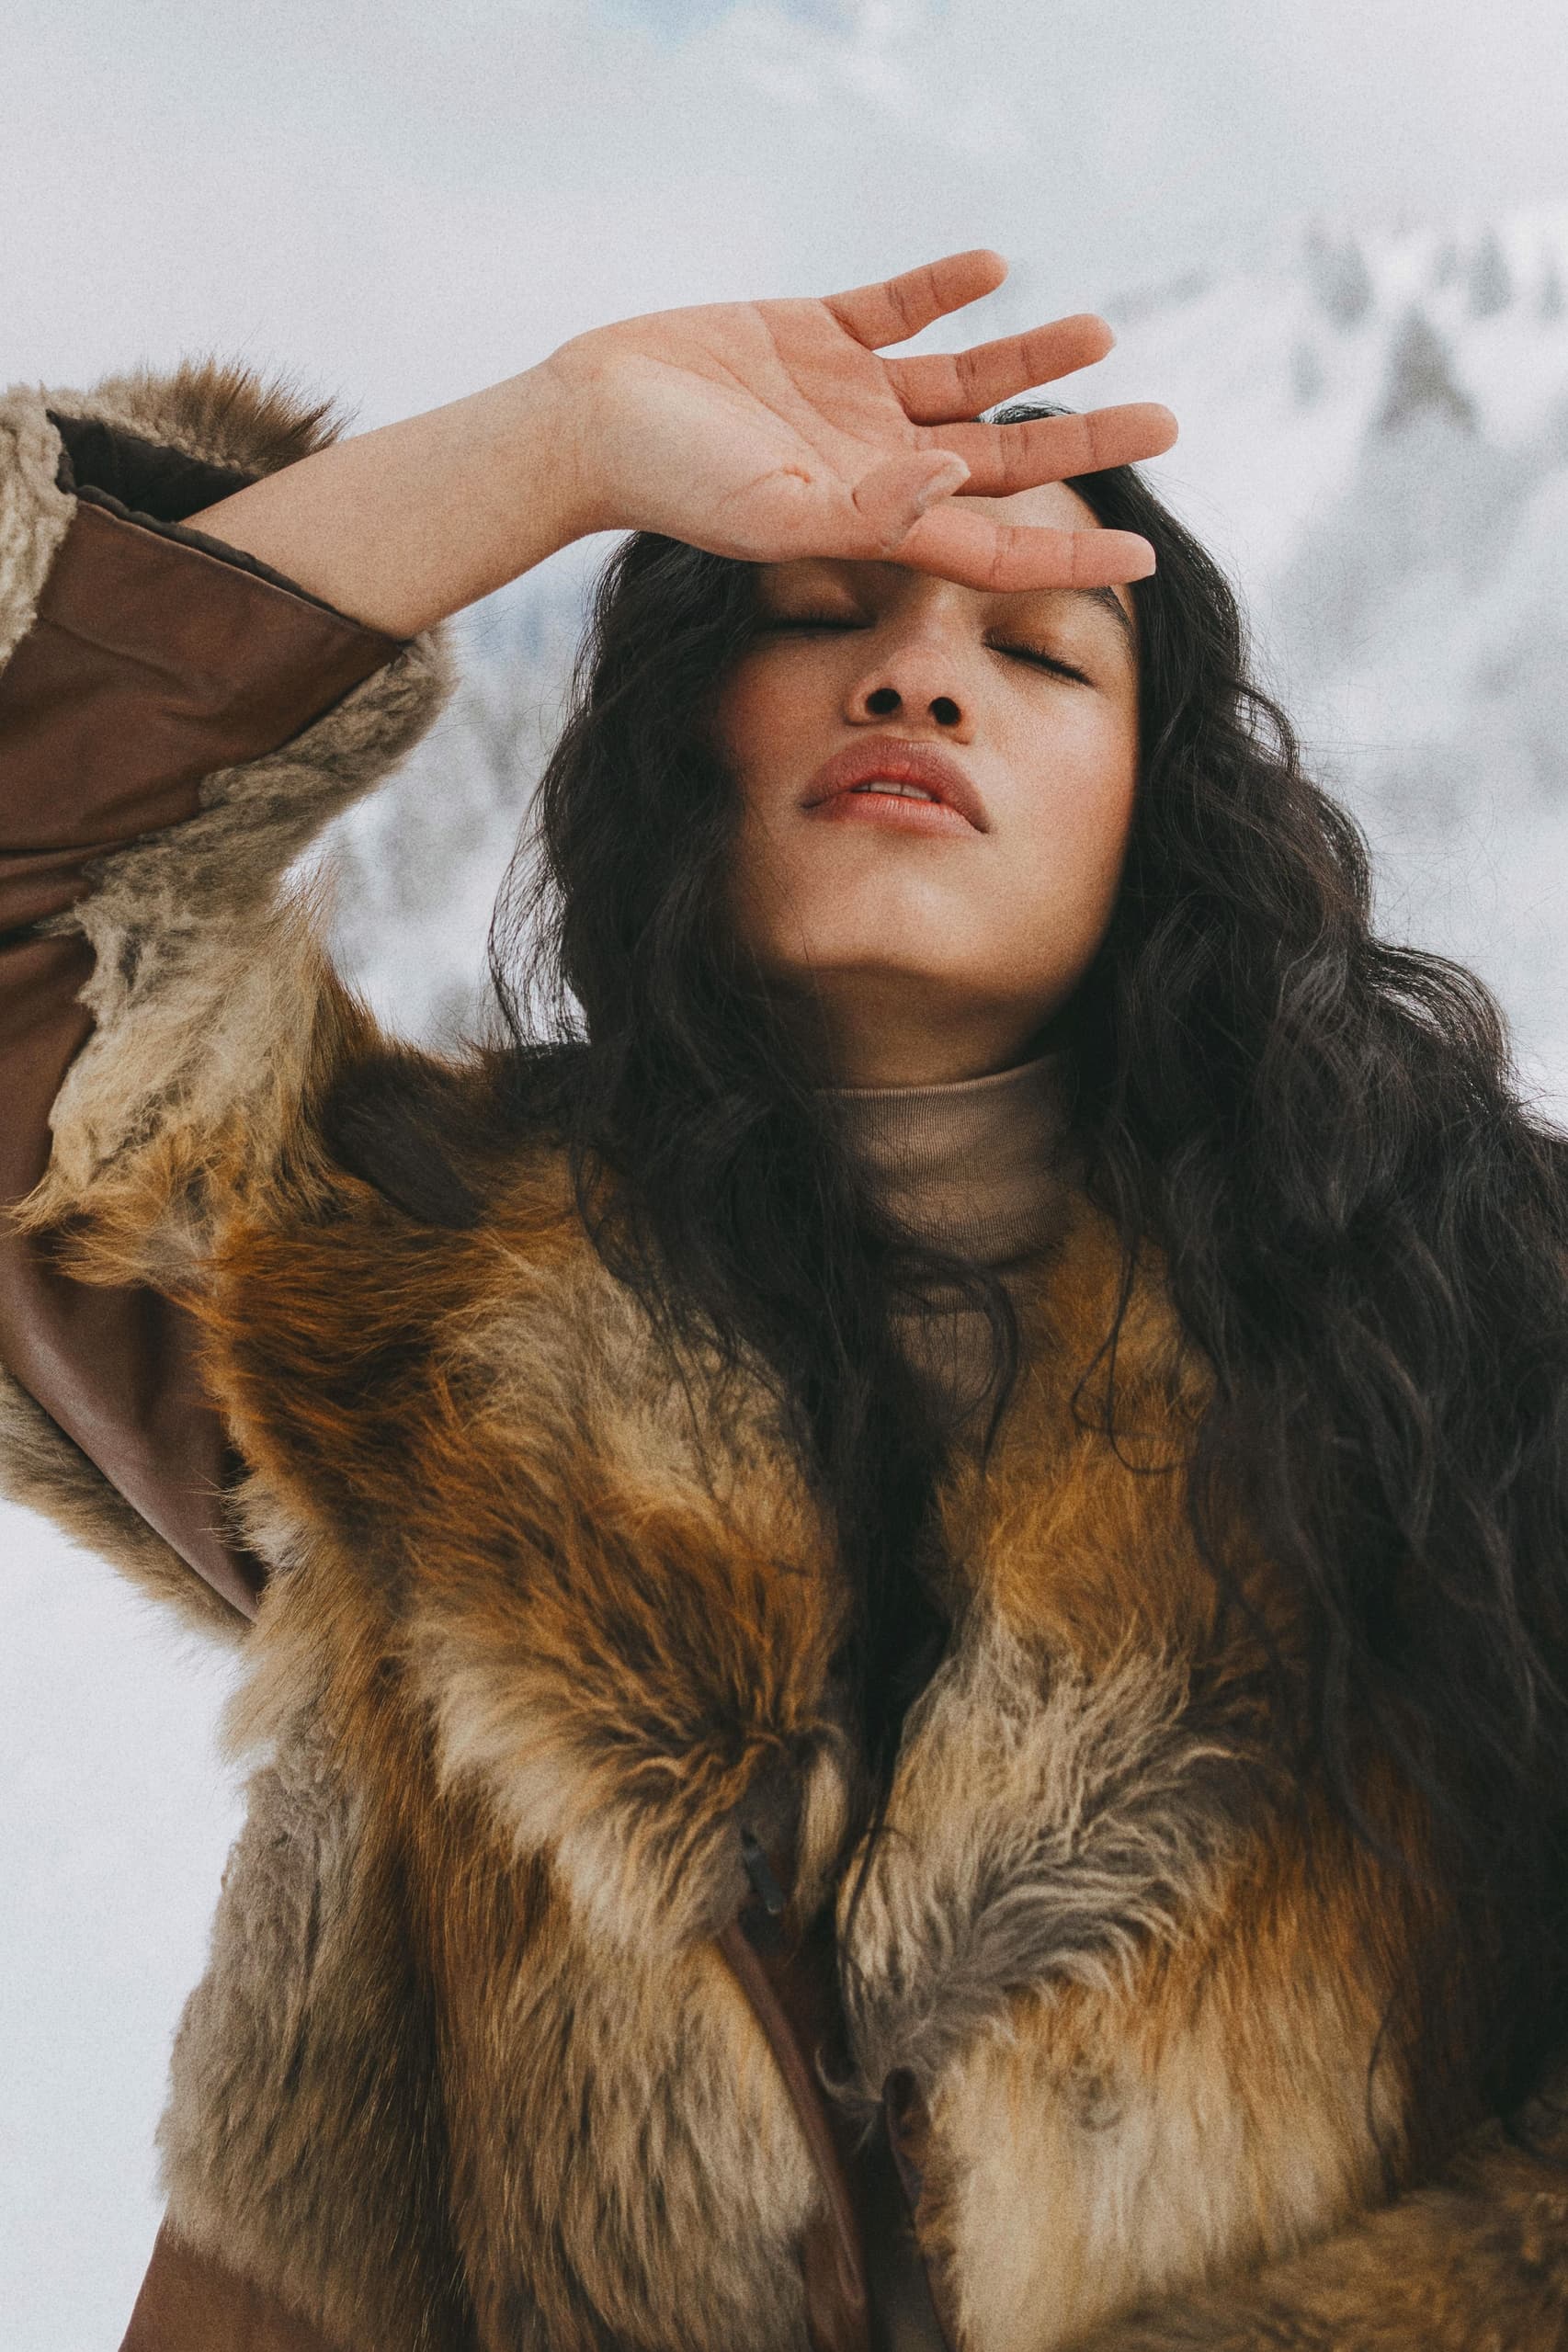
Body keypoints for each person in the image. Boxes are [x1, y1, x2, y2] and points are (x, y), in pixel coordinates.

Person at [3, 246, 1568, 2352]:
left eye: (1037, 649)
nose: (916, 675)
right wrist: (552, 441)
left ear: (1161, 803)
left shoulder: (1491, 1329)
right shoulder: (394, 1286)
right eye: (821, 614)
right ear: (682, 748)